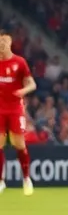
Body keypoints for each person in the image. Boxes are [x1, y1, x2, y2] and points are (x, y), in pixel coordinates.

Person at [0, 29, 36, 195]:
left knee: (18, 144)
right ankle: (1, 182)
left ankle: (26, 178)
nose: (2, 45)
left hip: (15, 109)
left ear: (10, 43)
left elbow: (32, 84)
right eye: (0, 42)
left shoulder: (19, 62)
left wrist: (23, 91)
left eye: (4, 42)